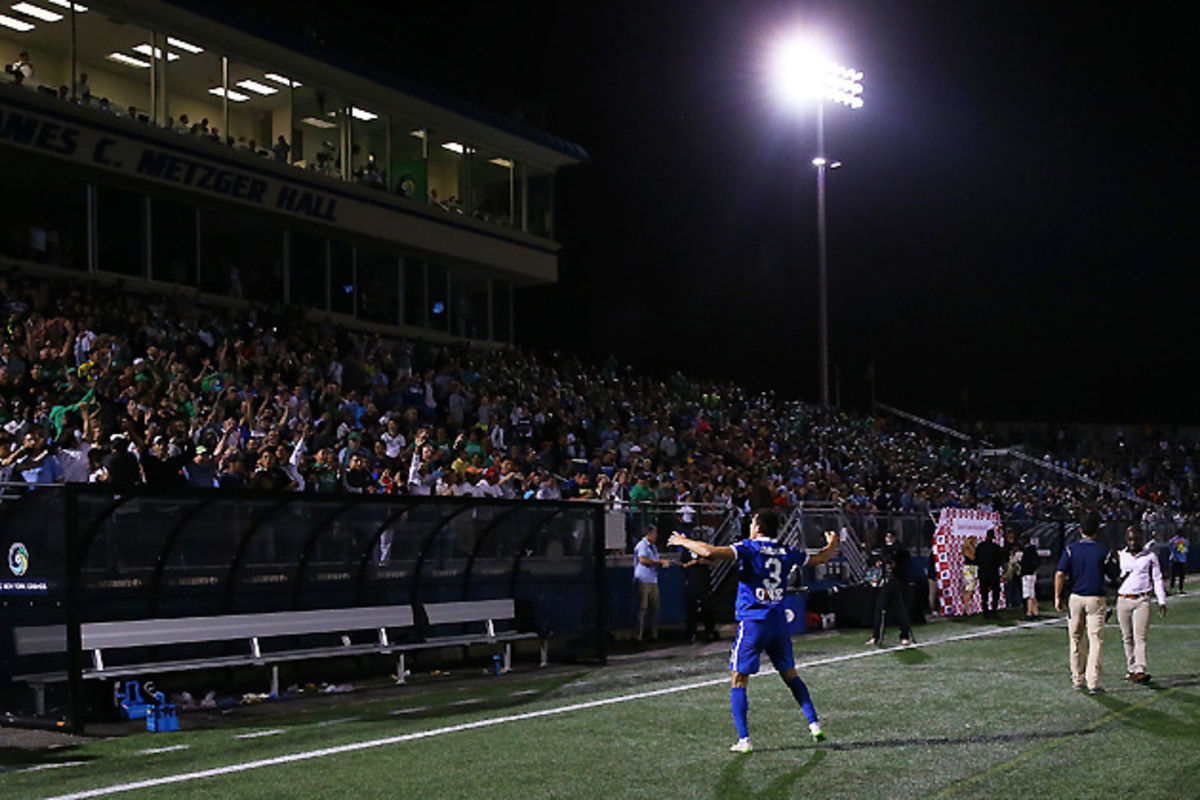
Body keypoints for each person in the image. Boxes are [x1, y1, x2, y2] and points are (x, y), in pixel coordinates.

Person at [669, 509, 839, 752]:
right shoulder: (785, 551)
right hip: (779, 623)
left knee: (738, 679)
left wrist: (683, 540)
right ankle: (814, 724)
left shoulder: (749, 547)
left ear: (758, 527)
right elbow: (822, 558)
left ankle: (744, 739)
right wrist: (833, 542)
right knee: (790, 675)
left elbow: (708, 551)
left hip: (754, 622)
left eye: (752, 522)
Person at [1055, 512, 1109, 695]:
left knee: (1076, 639)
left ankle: (1077, 679)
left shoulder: (1071, 549)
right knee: (1095, 640)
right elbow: (1114, 574)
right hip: (1095, 598)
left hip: (1075, 597)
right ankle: (1093, 681)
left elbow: (1060, 574)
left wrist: (1057, 596)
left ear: (1080, 530)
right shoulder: (1103, 551)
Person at [1116, 525, 1167, 683]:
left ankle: (1140, 669)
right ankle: (1131, 668)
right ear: (1126, 539)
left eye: (1136, 539)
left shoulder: (1150, 556)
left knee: (1140, 636)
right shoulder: (1120, 555)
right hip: (1123, 599)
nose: (1133, 542)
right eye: (1130, 539)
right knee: (1127, 637)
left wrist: (1161, 600)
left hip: (1142, 599)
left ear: (1141, 539)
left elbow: (1157, 578)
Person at [867, 530, 914, 646]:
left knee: (901, 611)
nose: (888, 539)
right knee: (879, 609)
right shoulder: (882, 549)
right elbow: (871, 560)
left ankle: (904, 635)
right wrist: (879, 562)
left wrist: (895, 565)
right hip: (886, 583)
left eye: (891, 537)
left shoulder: (902, 550)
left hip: (898, 583)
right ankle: (875, 636)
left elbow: (906, 565)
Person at [633, 524, 670, 641]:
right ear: (649, 534)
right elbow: (643, 560)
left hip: (653, 580)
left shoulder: (653, 547)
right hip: (643, 580)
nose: (656, 536)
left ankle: (654, 634)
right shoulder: (642, 545)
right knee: (642, 608)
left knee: (655, 608)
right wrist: (659, 562)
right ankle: (638, 636)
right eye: (655, 533)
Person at [679, 531, 716, 643]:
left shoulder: (705, 549)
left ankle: (709, 631)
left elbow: (714, 563)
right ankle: (691, 633)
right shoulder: (687, 551)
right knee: (691, 609)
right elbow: (682, 565)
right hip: (692, 582)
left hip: (704, 582)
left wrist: (704, 562)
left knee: (707, 608)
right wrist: (693, 562)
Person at [974, 529, 1005, 616]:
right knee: (995, 591)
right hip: (993, 573)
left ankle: (985, 609)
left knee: (984, 592)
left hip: (983, 572)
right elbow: (999, 561)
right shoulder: (996, 547)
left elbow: (976, 560)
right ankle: (994, 608)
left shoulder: (980, 547)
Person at [1019, 534, 1041, 620]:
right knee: (1032, 594)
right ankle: (1036, 612)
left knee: (1028, 594)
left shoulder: (1027, 551)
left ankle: (1029, 613)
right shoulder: (1033, 550)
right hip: (1032, 574)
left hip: (1027, 574)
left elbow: (1026, 564)